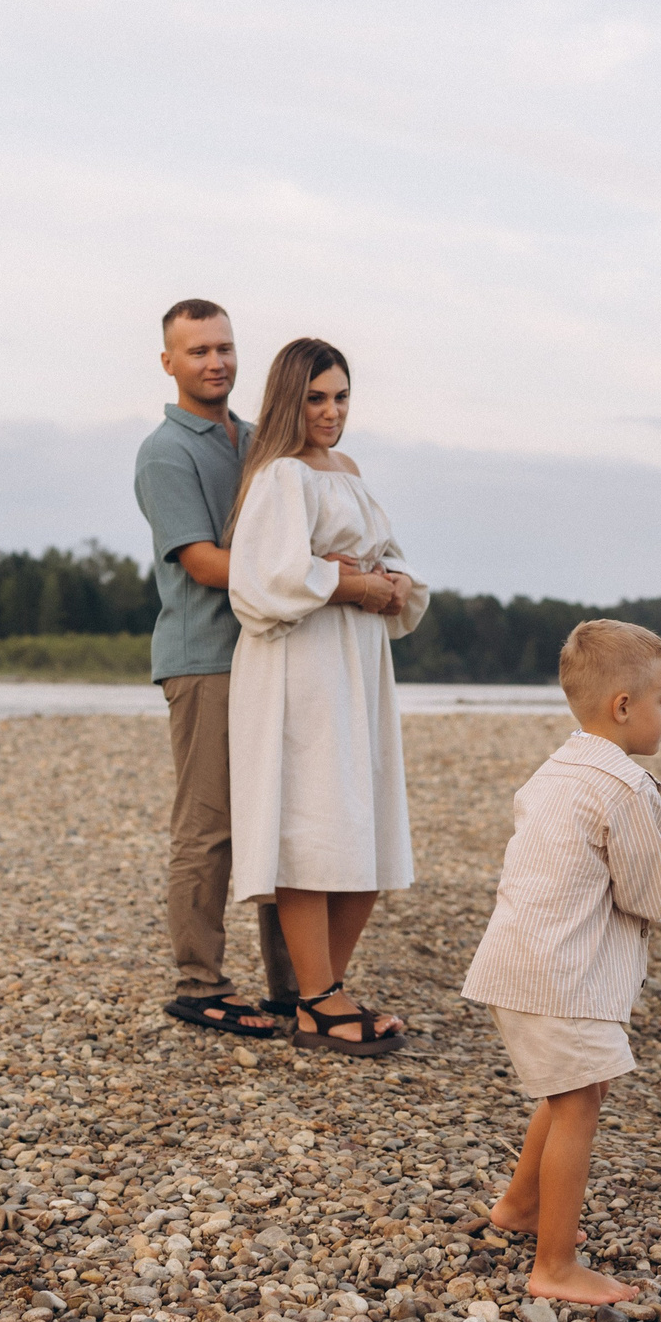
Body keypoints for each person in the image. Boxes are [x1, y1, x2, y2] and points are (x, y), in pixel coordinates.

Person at [461, 620, 661, 1304]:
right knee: (578, 1104)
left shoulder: (558, 767)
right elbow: (647, 899)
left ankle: (520, 1206)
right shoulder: (626, 786)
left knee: (579, 1086)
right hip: (561, 977)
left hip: (524, 962)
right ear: (624, 707)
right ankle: (554, 1266)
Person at [225, 337, 427, 1055]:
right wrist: (346, 582)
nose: (331, 411)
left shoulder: (349, 470)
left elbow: (384, 554)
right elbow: (259, 581)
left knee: (363, 821)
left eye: (340, 396)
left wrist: (393, 582)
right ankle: (317, 1000)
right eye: (316, 398)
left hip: (358, 663)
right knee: (313, 821)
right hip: (301, 666)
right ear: (290, 400)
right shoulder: (280, 476)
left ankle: (327, 989)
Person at [132, 298, 284, 1039]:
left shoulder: (258, 440)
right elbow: (200, 562)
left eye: (224, 347)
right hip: (204, 660)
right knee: (210, 824)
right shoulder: (166, 451)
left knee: (279, 817)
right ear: (169, 362)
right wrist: (312, 578)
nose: (215, 362)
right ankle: (200, 981)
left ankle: (296, 985)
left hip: (268, 654)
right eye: (197, 351)